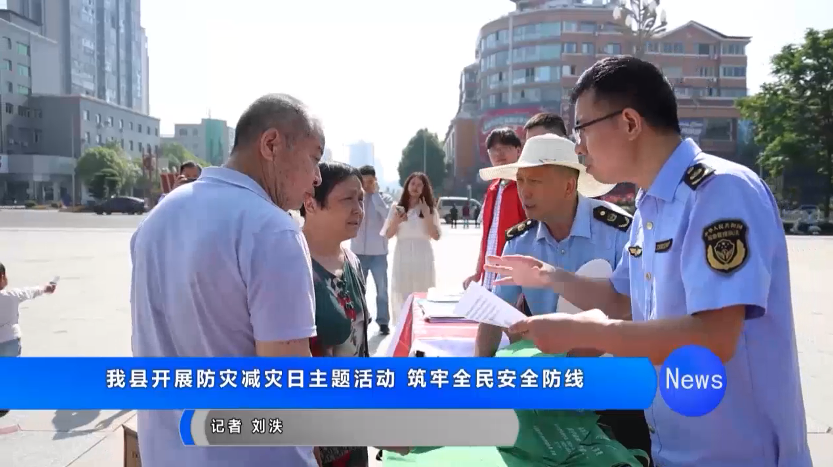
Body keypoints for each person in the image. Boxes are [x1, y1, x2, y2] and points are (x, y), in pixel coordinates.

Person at [487, 56, 812, 467]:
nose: (578, 147)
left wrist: (587, 332)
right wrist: (550, 277)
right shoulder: (650, 205)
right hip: (673, 447)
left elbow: (714, 337)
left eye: (582, 129)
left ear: (629, 122)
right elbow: (621, 298)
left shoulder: (719, 191)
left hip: (737, 454)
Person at [131, 94, 324, 467]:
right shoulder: (271, 230)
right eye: (314, 158)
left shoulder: (158, 218)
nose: (317, 177)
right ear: (271, 144)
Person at [477, 132, 652, 459]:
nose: (524, 191)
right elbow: (493, 313)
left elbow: (633, 310)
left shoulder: (618, 232)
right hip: (549, 387)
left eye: (535, 181)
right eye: (520, 180)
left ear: (569, 186)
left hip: (614, 383)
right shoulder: (519, 241)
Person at [301, 161, 370, 467]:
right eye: (347, 199)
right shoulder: (292, 264)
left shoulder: (352, 261)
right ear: (311, 203)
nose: (358, 209)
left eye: (361, 199)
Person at [462, 128, 526, 291]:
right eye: (494, 150)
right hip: (489, 275)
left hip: (515, 277)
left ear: (518, 151)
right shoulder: (492, 189)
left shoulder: (525, 186)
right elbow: (487, 236)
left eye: (506, 148)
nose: (499, 153)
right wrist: (478, 273)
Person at [382, 172, 441, 324]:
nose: (415, 187)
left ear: (424, 188)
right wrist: (396, 221)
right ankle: (404, 327)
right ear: (407, 185)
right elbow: (388, 234)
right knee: (403, 293)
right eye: (413, 183)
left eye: (419, 185)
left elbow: (436, 236)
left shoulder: (429, 209)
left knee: (422, 293)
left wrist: (427, 216)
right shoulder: (397, 208)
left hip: (423, 255)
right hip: (403, 254)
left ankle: (420, 326)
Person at [352, 165, 393, 335]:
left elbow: (387, 215)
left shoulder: (384, 198)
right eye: (363, 181)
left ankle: (383, 321)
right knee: (358, 289)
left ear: (375, 180)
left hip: (378, 254)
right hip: (357, 252)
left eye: (370, 181)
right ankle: (361, 318)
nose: (366, 185)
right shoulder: (355, 198)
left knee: (381, 290)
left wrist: (375, 195)